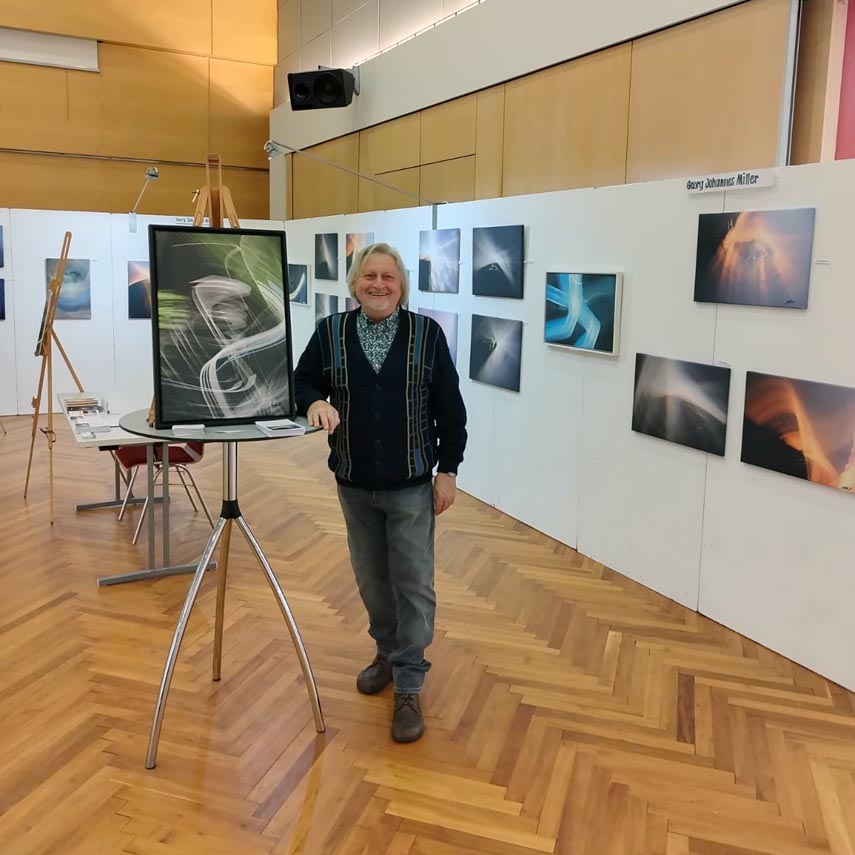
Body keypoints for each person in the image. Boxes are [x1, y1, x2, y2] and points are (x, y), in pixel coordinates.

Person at [294, 242, 467, 743]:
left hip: (411, 483)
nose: (379, 284)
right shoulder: (331, 332)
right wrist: (315, 401)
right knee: (372, 580)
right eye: (369, 275)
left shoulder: (425, 335)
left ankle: (410, 681)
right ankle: (387, 653)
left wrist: (448, 470)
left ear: (401, 284)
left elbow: (450, 408)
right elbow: (301, 380)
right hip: (353, 482)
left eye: (388, 276)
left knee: (413, 583)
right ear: (354, 284)